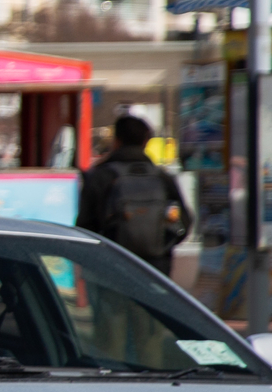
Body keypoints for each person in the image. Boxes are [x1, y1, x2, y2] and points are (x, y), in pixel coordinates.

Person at [77, 113, 192, 276]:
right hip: (155, 271)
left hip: (111, 268)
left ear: (116, 140)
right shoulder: (161, 177)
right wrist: (163, 249)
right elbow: (185, 222)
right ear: (145, 142)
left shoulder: (100, 177)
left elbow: (85, 227)